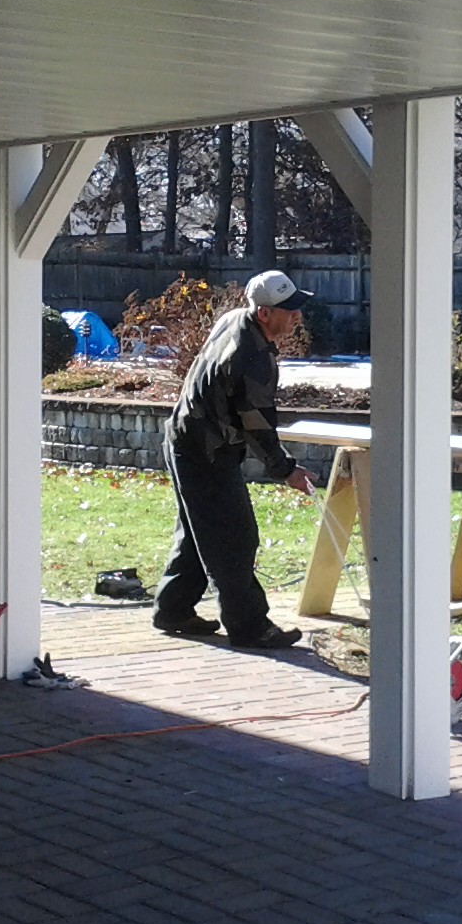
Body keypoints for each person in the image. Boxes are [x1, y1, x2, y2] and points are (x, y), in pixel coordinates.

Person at [151, 270, 318, 648]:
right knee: (235, 537)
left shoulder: (235, 320)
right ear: (263, 313)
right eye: (289, 310)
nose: (297, 317)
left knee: (200, 532)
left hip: (184, 438)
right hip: (204, 451)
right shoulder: (250, 356)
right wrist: (286, 470)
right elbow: (256, 424)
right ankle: (250, 626)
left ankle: (173, 609)